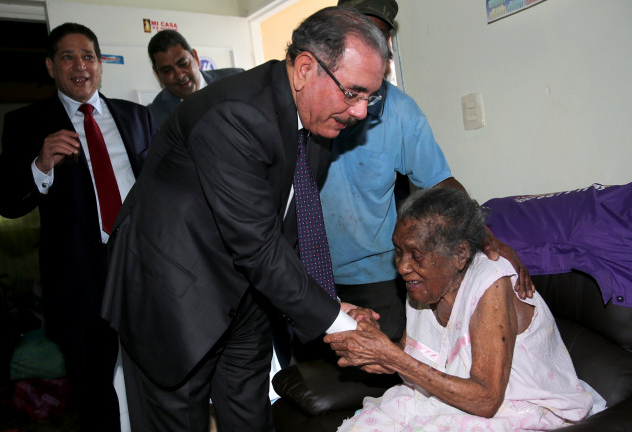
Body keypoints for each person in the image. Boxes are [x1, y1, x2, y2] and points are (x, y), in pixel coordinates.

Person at [101, 7, 389, 432]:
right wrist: (339, 324)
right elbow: (258, 246)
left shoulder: (320, 119)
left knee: (251, 417)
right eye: (353, 92)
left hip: (245, 292)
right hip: (171, 293)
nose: (361, 112)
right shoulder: (235, 113)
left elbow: (294, 223)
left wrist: (331, 304)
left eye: (371, 97)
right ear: (305, 69)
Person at [322, 0, 532, 341]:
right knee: (307, 371)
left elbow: (440, 183)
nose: (372, 44)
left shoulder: (399, 111)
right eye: (360, 32)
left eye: (380, 35)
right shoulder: (308, 100)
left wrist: (486, 237)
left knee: (386, 365)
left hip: (376, 278)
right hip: (304, 275)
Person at [0, 23, 156, 432]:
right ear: (51, 66)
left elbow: (162, 187)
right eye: (68, 57)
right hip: (80, 285)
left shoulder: (136, 116)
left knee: (159, 381)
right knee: (97, 397)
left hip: (144, 271)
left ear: (99, 64)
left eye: (88, 57)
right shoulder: (26, 123)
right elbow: (5, 202)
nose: (80, 66)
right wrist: (40, 166)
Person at [326, 188, 593, 431]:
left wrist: (391, 356)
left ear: (460, 254)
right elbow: (409, 356)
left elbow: (487, 400)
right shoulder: (423, 284)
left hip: (517, 408)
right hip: (446, 401)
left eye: (416, 255)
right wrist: (372, 346)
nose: (403, 267)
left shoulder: (491, 282)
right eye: (399, 251)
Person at [147, 29, 244, 125]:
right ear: (157, 74)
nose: (180, 75)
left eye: (183, 64)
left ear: (196, 58)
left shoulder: (237, 79)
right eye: (167, 71)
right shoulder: (154, 116)